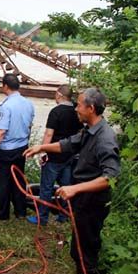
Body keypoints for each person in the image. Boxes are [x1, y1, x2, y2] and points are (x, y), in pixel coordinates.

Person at [23, 88, 120, 274]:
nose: (75, 108)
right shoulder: (90, 130)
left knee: (85, 251)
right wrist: (41, 147)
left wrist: (74, 188)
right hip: (83, 199)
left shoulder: (104, 138)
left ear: (91, 108)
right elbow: (67, 144)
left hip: (92, 203)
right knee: (78, 248)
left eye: (79, 104)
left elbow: (111, 176)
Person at [27, 84, 83, 225]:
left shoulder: (56, 112)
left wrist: (42, 152)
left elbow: (49, 134)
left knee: (46, 187)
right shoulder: (77, 111)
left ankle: (42, 218)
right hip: (69, 155)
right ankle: (64, 216)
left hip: (54, 156)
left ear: (59, 95)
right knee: (66, 187)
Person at [0, 74, 35, 220]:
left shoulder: (6, 106)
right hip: (22, 147)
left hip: (6, 150)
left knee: (4, 181)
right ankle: (21, 211)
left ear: (5, 86)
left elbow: (1, 131)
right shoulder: (28, 103)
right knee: (19, 179)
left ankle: (3, 213)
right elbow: (29, 126)